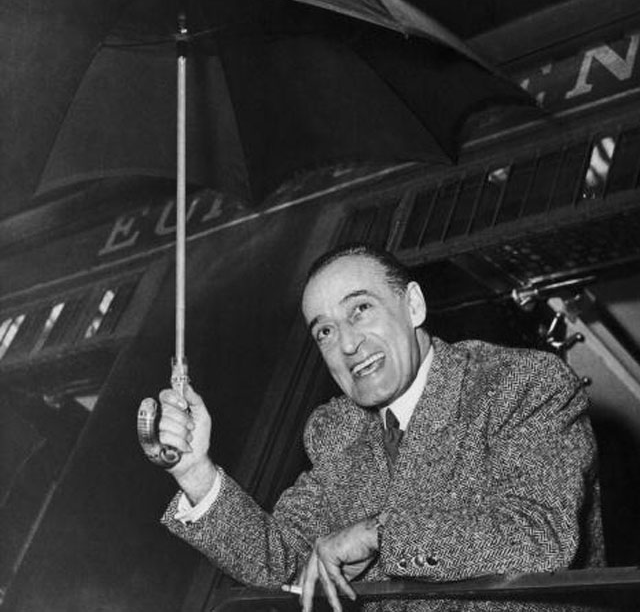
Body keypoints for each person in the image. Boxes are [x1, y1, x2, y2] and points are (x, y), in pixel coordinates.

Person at [149, 244, 605, 612]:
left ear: (413, 304)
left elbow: (539, 541)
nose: (346, 343)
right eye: (324, 331)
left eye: (360, 309)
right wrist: (194, 471)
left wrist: (378, 534)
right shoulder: (335, 429)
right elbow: (285, 562)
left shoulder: (521, 383)